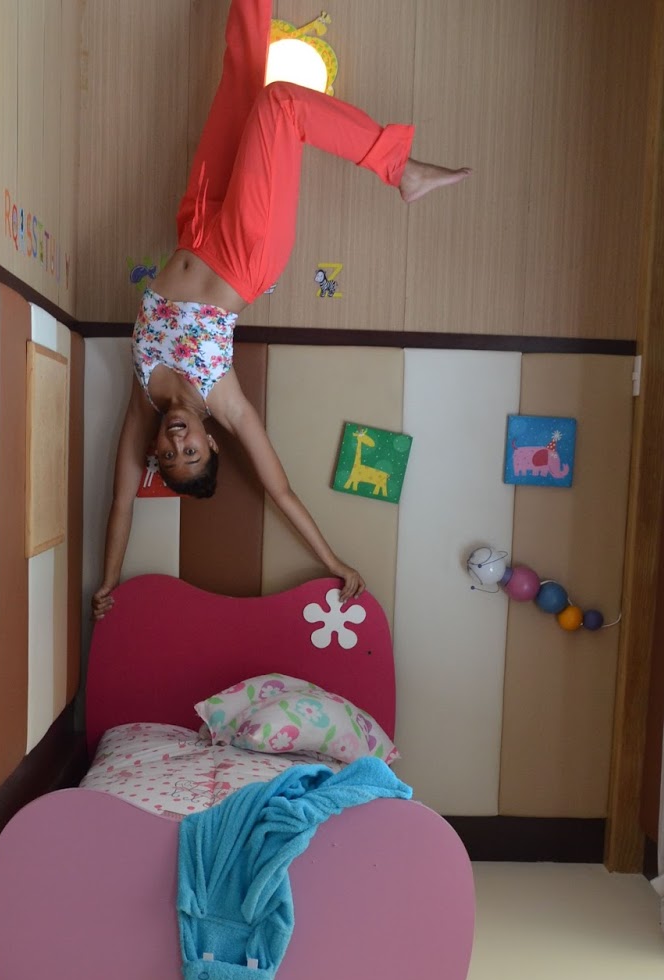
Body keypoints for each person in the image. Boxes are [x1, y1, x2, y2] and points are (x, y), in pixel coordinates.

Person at [92, 0, 470, 620]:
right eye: (193, 453)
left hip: (197, 225)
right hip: (245, 255)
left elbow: (121, 504)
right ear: (213, 444)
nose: (177, 445)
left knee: (241, 75)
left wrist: (108, 582)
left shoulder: (143, 398)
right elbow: (283, 492)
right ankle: (400, 169)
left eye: (169, 455)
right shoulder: (225, 402)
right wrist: (334, 562)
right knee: (280, 105)